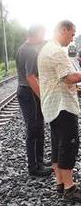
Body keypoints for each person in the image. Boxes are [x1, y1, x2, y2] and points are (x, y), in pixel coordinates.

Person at [38, 20, 81, 202]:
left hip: (53, 106)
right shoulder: (56, 51)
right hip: (63, 106)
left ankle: (60, 184)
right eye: (72, 33)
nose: (73, 38)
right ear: (64, 30)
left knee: (57, 146)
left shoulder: (46, 49)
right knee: (68, 146)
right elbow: (70, 77)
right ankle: (70, 189)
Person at [16, 24, 52, 177]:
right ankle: (35, 167)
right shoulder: (30, 51)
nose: (43, 37)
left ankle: (39, 162)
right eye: (42, 33)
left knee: (36, 128)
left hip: (24, 91)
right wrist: (42, 97)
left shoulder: (21, 48)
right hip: (29, 93)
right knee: (34, 129)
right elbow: (30, 77)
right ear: (36, 34)